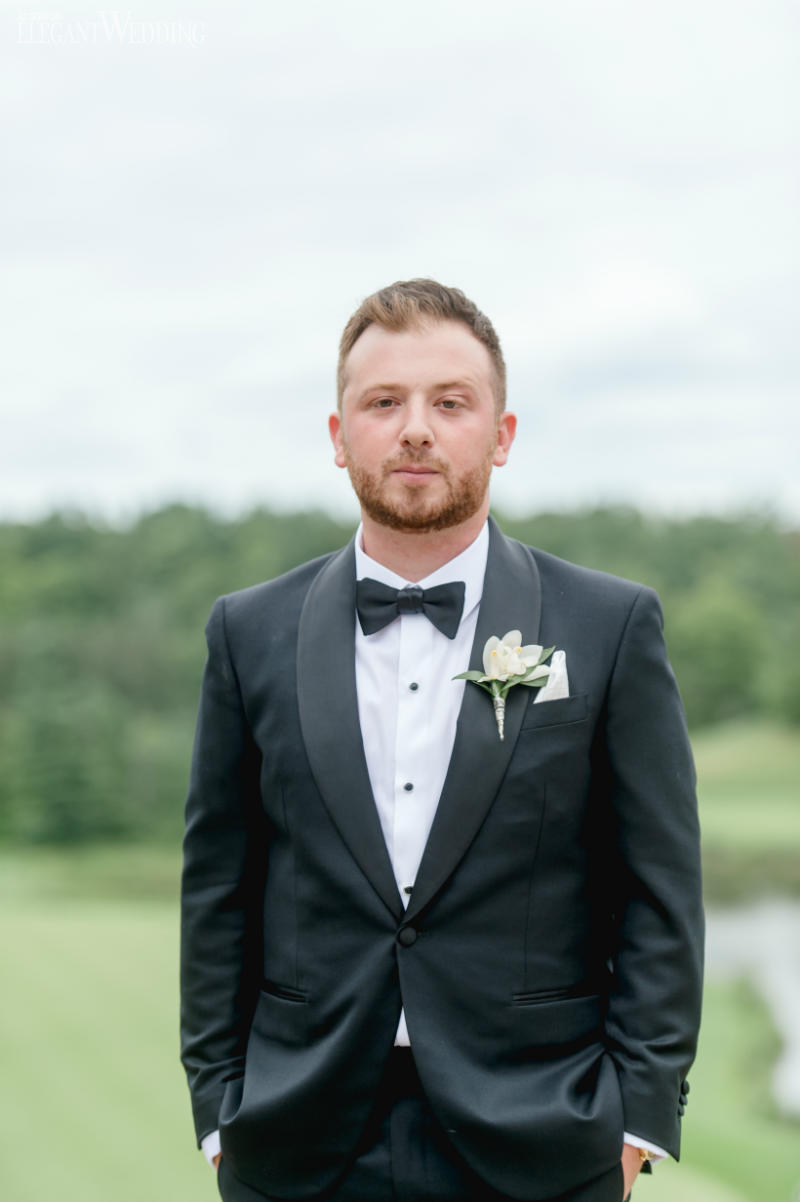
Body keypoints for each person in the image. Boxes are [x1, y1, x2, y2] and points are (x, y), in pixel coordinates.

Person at [180, 278, 703, 1202]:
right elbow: (220, 889)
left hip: (545, 1136)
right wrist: (222, 1110)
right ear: (339, 439)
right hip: (299, 1143)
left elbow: (658, 889)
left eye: (449, 402)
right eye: (384, 402)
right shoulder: (245, 632)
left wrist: (636, 1117)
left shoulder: (610, 624)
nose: (415, 428)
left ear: (500, 435)